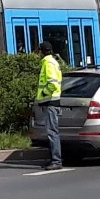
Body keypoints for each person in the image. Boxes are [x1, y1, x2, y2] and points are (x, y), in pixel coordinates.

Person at [36, 40, 63, 170]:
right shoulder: (51, 62)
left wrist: (44, 93)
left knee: (52, 132)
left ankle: (56, 161)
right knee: (52, 131)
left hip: (51, 102)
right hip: (51, 101)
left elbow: (52, 84)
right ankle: (53, 159)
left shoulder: (48, 64)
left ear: (41, 52)